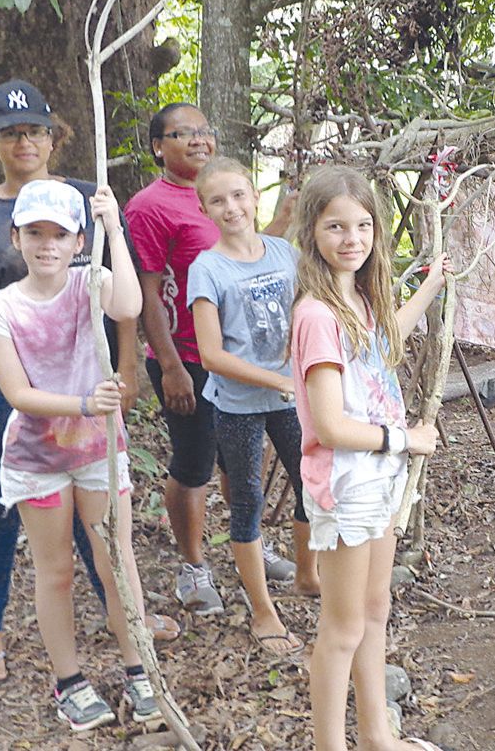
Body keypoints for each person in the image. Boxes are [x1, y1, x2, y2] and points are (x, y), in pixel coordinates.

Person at [0, 79, 174, 691]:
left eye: (36, 130)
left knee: (102, 528)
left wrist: (126, 368)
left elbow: (120, 299)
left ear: (55, 135)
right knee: (1, 510)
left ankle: (122, 623)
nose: (25, 141)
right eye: (10, 132)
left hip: (85, 384)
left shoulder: (85, 199)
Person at [0, 179, 157, 731]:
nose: (47, 245)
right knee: (55, 571)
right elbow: (18, 394)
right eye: (35, 233)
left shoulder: (89, 281)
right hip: (37, 457)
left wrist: (113, 228)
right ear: (17, 236)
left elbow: (129, 304)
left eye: (60, 234)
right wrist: (82, 401)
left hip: (100, 451)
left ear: (78, 239)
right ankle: (70, 681)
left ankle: (140, 669)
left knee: (115, 560)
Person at [125, 103, 319, 617]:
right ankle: (194, 565)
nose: (196, 139)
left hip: (256, 364)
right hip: (189, 358)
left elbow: (261, 266)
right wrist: (168, 366)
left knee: (246, 469)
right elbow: (147, 290)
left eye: (203, 130)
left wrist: (281, 220)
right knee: (194, 464)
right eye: (180, 133)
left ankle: (256, 554)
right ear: (157, 147)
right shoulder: (149, 206)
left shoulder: (233, 211)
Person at [287, 166, 447, 751]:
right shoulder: (317, 314)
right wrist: (405, 440)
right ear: (312, 232)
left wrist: (429, 288)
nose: (352, 239)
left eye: (362, 226)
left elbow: (383, 351)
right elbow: (329, 424)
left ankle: (379, 738)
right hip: (348, 480)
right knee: (342, 627)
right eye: (336, 227)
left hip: (378, 476)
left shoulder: (356, 297)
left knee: (374, 609)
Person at [184, 157, 307, 654]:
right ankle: (262, 611)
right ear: (204, 209)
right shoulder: (206, 268)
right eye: (218, 200)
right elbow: (211, 354)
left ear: (256, 196)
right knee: (247, 501)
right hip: (238, 405)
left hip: (289, 396)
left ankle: (308, 575)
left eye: (238, 195)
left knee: (312, 486)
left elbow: (308, 313)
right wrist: (279, 381)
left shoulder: (284, 251)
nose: (231, 207)